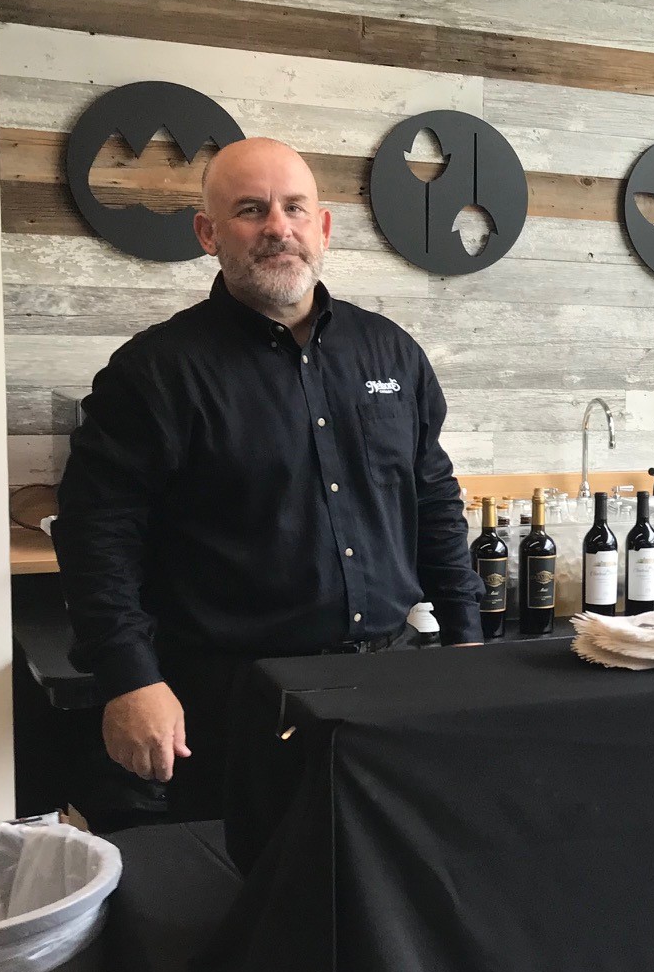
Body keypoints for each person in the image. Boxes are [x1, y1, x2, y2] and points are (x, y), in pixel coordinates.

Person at [54, 138, 482, 866]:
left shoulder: (393, 355)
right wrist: (131, 679)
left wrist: (468, 640)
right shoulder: (154, 372)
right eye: (250, 210)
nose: (276, 227)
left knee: (386, 886)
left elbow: (434, 501)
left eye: (293, 208)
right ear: (208, 234)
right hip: (234, 703)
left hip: (388, 685)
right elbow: (99, 536)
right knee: (240, 904)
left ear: (323, 228)